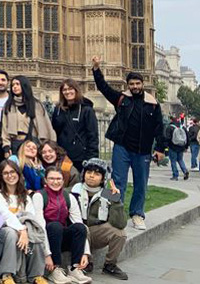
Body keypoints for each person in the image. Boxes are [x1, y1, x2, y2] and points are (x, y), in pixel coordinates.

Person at [92, 56, 166, 230]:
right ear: (128, 85)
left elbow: (159, 128)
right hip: (122, 147)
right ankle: (113, 214)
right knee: (116, 182)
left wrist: (161, 149)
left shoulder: (153, 104)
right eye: (131, 84)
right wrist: (96, 69)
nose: (135, 86)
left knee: (141, 184)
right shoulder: (121, 99)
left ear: (142, 84)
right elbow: (103, 88)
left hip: (143, 150)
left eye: (137, 83)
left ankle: (137, 214)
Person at [0, 160, 48, 284]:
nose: (10, 176)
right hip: (2, 230)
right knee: (11, 233)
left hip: (24, 228)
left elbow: (30, 216)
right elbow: (4, 215)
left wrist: (25, 230)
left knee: (35, 233)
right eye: (5, 173)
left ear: (18, 174)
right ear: (1, 176)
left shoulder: (25, 196)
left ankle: (36, 275)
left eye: (12, 172)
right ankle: (7, 275)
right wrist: (22, 230)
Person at [69, 159, 128, 281]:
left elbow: (120, 224)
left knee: (120, 233)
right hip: (77, 233)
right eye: (88, 172)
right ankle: (86, 263)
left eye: (96, 174)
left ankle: (109, 265)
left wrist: (116, 201)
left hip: (96, 232)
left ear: (103, 178)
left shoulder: (108, 193)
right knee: (82, 228)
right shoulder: (74, 191)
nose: (91, 176)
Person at [35, 167, 91, 284]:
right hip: (45, 239)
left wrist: (85, 253)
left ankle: (75, 269)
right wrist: (47, 254)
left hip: (60, 238)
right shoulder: (39, 196)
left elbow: (78, 222)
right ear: (45, 180)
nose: (55, 182)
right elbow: (39, 227)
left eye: (58, 179)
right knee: (55, 226)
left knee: (80, 227)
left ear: (63, 180)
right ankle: (55, 269)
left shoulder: (69, 197)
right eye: (51, 178)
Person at [2, 76, 56, 157]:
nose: (15, 87)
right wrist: (6, 146)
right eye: (13, 85)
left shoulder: (37, 105)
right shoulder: (9, 106)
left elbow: (46, 125)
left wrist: (52, 144)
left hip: (33, 144)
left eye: (17, 84)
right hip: (15, 144)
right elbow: (4, 128)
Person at [51, 79, 99, 169]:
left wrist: (92, 158)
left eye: (70, 89)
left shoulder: (86, 110)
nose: (67, 92)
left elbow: (93, 136)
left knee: (79, 178)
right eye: (64, 90)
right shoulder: (58, 110)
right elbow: (54, 131)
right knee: (64, 176)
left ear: (76, 90)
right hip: (63, 156)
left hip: (81, 157)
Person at [165, 115, 190, 181]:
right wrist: (186, 146)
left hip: (172, 146)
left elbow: (167, 138)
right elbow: (187, 137)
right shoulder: (182, 127)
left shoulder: (170, 127)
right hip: (181, 146)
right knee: (180, 160)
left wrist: (166, 147)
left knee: (173, 161)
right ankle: (185, 171)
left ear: (171, 120)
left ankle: (175, 175)